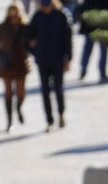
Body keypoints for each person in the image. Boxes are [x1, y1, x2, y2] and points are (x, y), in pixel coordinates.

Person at [29, 0, 73, 130]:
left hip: (58, 59)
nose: (45, 8)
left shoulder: (61, 16)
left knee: (58, 89)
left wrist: (68, 58)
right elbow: (29, 36)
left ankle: (61, 114)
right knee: (45, 91)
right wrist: (34, 51)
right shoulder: (37, 17)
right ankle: (49, 120)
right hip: (42, 60)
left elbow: (67, 38)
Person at [0, 5, 32, 131]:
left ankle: (18, 108)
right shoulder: (2, 27)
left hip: (20, 62)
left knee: (21, 92)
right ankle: (9, 121)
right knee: (8, 93)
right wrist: (1, 56)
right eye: (12, 14)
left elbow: (31, 43)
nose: (14, 17)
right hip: (7, 63)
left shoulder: (25, 27)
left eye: (16, 14)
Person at [77, 0, 108, 82]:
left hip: (99, 26)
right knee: (90, 49)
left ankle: (99, 72)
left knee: (98, 50)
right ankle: (85, 70)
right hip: (94, 26)